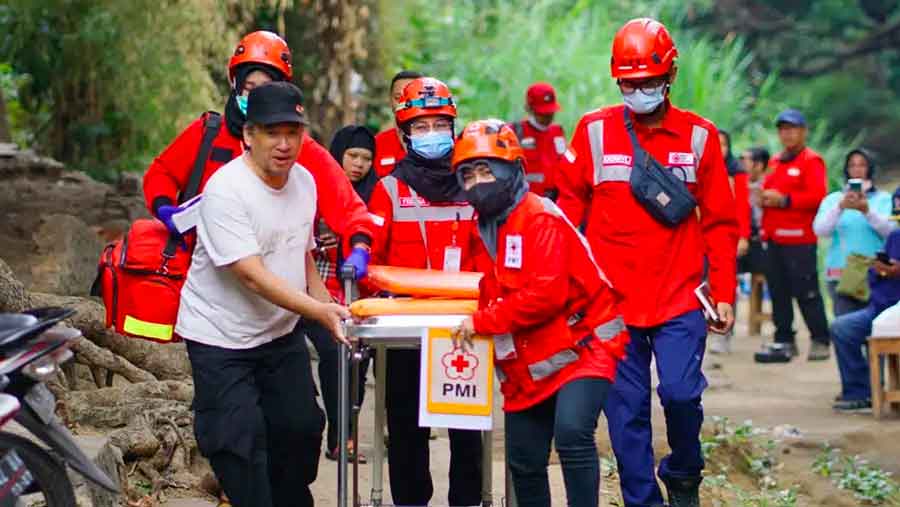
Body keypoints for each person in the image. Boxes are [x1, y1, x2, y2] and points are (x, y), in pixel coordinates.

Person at [556, 18, 738, 507]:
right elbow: (566, 214)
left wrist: (723, 293)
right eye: (629, 83)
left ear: (670, 75)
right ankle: (643, 501)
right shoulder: (593, 132)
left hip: (679, 296)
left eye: (648, 82)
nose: (638, 91)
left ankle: (683, 469)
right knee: (625, 413)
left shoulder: (699, 137)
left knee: (680, 395)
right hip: (610, 304)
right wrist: (568, 288)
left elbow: (721, 222)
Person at [177, 81, 349, 507]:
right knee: (239, 442)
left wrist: (329, 305)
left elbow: (300, 250)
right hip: (221, 340)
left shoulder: (305, 182)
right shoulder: (225, 191)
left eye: (293, 132)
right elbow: (251, 274)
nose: (285, 144)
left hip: (279, 335)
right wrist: (317, 311)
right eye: (273, 132)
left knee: (301, 428)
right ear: (248, 136)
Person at [450, 119, 629, 507]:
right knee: (524, 461)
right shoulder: (480, 229)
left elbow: (544, 295)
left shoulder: (539, 217)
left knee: (572, 435)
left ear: (512, 169)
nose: (478, 182)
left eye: (486, 170)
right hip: (529, 363)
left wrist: (480, 322)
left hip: (586, 348)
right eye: (468, 174)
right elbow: (472, 284)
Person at [143, 31, 374, 282]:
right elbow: (161, 173)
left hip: (272, 279)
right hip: (199, 270)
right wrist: (165, 208)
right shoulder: (208, 133)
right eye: (249, 88)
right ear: (235, 85)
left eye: (264, 91)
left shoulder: (297, 148)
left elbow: (347, 206)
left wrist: (359, 247)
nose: (255, 98)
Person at [367, 77, 483, 507]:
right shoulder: (389, 189)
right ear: (404, 134)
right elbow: (370, 259)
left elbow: (486, 254)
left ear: (453, 128)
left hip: (464, 329)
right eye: (421, 126)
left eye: (439, 124)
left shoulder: (474, 187)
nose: (432, 134)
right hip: (403, 331)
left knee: (467, 426)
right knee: (405, 427)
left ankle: (467, 501)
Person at [308, 125, 377, 462]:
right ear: (337, 155)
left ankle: (344, 438)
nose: (359, 165)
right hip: (311, 289)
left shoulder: (376, 193)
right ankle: (331, 432)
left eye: (366, 158)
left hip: (356, 294)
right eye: (352, 156)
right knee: (334, 358)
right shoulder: (312, 186)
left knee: (356, 367)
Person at [755, 109, 830, 363]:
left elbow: (819, 196)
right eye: (783, 129)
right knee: (778, 292)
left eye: (792, 128)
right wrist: (763, 198)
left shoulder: (812, 161)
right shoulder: (775, 161)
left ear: (803, 131)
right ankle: (784, 340)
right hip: (774, 240)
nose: (787, 133)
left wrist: (785, 200)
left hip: (800, 240)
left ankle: (820, 339)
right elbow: (768, 191)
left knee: (807, 292)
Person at [830, 190, 900, 412]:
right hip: (883, 309)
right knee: (842, 327)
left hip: (893, 310)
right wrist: (881, 270)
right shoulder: (895, 236)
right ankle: (861, 391)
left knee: (847, 327)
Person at [813, 148, 894, 316]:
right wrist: (840, 207)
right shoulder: (833, 200)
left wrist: (867, 211)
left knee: (875, 328)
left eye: (862, 165)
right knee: (844, 327)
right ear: (846, 169)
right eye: (852, 165)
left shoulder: (884, 199)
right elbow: (820, 230)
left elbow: (891, 232)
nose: (857, 169)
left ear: (870, 168)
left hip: (875, 273)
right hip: (840, 273)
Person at [709, 129, 750, 354]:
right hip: (700, 236)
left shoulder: (737, 172)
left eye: (724, 144)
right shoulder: (700, 169)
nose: (720, 148)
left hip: (727, 235)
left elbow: (742, 207)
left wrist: (743, 237)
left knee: (725, 284)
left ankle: (724, 331)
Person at [508, 82, 567, 200]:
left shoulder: (558, 132)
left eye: (550, 113)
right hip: (527, 201)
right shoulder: (515, 132)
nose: (548, 117)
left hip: (555, 201)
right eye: (543, 113)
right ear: (529, 109)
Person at [373, 70, 424, 177]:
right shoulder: (376, 144)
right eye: (398, 98)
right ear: (390, 100)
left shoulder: (438, 143)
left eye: (411, 97)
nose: (404, 103)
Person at [738, 146, 770, 276]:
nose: (740, 164)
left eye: (744, 160)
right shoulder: (739, 183)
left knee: (759, 278)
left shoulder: (769, 186)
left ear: (759, 165)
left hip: (762, 238)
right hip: (743, 237)